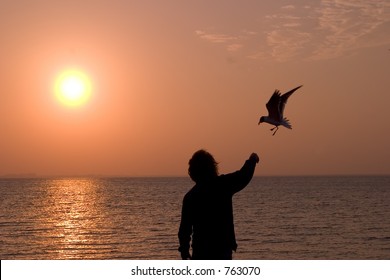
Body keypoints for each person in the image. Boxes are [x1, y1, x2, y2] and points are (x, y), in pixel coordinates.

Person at [178, 149, 260, 260]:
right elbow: (243, 176)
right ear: (212, 167)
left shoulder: (191, 197)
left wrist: (184, 250)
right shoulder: (223, 185)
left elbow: (185, 229)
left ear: (192, 171)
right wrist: (252, 159)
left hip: (201, 252)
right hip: (222, 250)